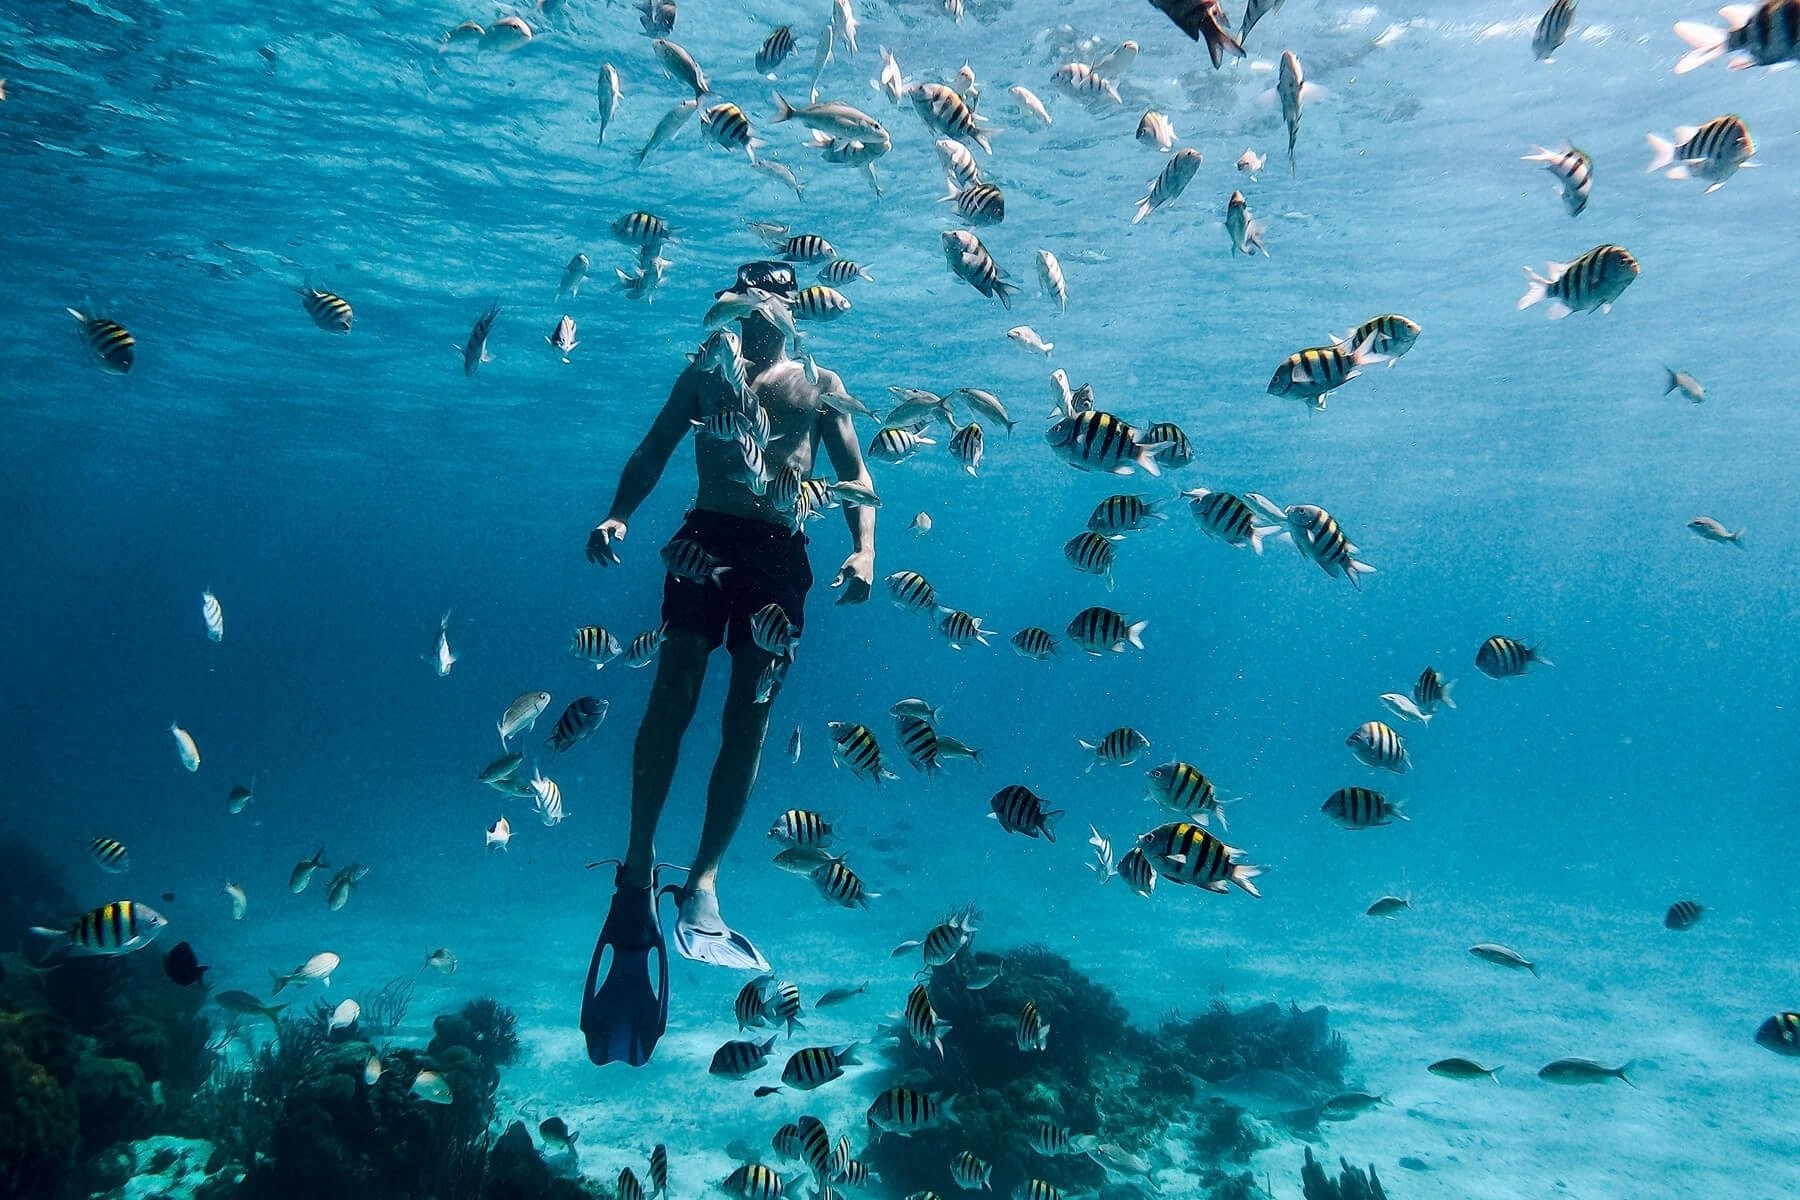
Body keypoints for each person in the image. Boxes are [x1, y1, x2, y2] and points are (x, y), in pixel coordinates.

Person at [579, 260, 875, 1067]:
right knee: (670, 697)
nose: (764, 307)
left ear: (791, 304)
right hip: (704, 534)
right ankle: (638, 867)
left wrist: (866, 554)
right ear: (737, 299)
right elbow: (652, 450)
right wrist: (615, 516)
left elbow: (854, 476)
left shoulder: (821, 382)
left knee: (748, 718)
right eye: (752, 292)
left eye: (780, 292)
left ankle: (703, 877)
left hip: (781, 552)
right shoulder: (704, 372)